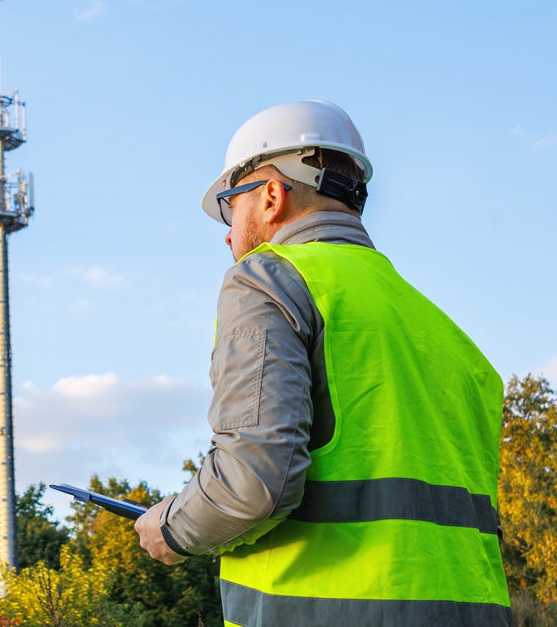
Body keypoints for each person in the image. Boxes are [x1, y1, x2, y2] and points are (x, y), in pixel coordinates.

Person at [134, 100, 510, 626]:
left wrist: (171, 527)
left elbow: (253, 484)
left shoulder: (268, 279)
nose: (226, 232)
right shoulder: (448, 335)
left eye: (229, 205)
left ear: (270, 196)